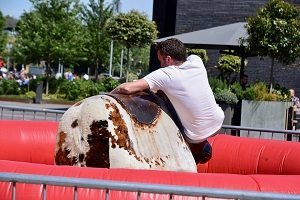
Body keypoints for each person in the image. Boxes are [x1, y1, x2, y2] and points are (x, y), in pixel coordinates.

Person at [111, 38, 224, 163]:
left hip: (194, 135)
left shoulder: (165, 74)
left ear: (168, 59)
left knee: (159, 98)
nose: (160, 65)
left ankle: (190, 148)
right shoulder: (196, 61)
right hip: (218, 122)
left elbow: (126, 88)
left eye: (160, 60)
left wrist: (107, 95)